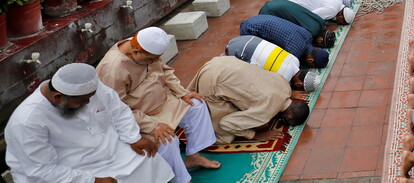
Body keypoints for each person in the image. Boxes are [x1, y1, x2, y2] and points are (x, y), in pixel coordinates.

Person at [5, 63, 173, 183]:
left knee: (147, 160)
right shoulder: (28, 121)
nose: (88, 103)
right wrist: (92, 180)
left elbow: (118, 109)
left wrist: (133, 137)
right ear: (58, 98)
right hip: (69, 169)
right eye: (81, 102)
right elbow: (42, 170)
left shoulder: (87, 89)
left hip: (109, 151)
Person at [96, 27, 220, 182]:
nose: (155, 61)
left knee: (197, 104)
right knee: (167, 140)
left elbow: (165, 71)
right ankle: (180, 179)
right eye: (151, 59)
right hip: (140, 115)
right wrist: (151, 126)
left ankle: (193, 156)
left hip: (163, 101)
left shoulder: (146, 49)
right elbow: (116, 110)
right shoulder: (113, 69)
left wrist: (183, 92)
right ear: (135, 52)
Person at [188, 56, 310, 144]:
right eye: (287, 122)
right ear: (288, 117)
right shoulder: (266, 113)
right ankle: (189, 141)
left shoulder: (285, 85)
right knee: (225, 137)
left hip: (222, 61)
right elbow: (226, 124)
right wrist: (255, 135)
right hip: (212, 79)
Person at [224, 35, 320, 93]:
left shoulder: (295, 60)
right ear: (299, 85)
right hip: (236, 50)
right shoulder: (283, 80)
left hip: (247, 39)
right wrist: (289, 94)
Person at [239, 14, 331, 68]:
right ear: (310, 60)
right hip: (249, 29)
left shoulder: (308, 36)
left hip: (259, 18)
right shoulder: (294, 53)